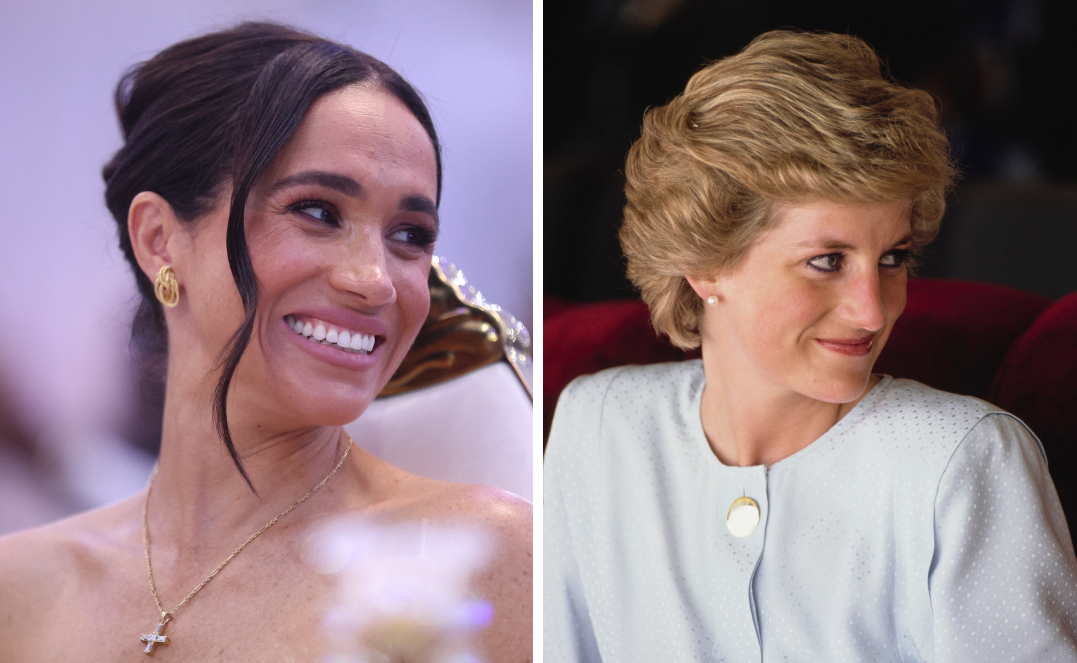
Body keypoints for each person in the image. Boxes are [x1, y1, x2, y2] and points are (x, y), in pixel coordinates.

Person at [0, 22, 531, 661]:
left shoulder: (490, 564)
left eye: (410, 235)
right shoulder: (19, 591)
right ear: (159, 240)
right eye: (318, 212)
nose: (376, 281)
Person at [544, 30, 1077, 662]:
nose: (873, 310)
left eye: (893, 258)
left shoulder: (966, 459)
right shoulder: (597, 423)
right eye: (827, 261)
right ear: (705, 265)